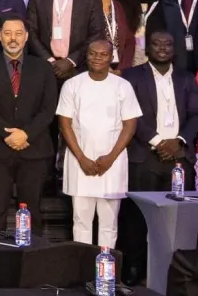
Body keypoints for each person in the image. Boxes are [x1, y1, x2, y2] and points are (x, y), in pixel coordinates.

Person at [124, 32, 198, 283]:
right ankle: (134, 272)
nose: (162, 48)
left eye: (168, 44)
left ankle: (173, 276)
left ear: (174, 49)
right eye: (156, 44)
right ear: (147, 49)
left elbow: (196, 114)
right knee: (137, 218)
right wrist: (158, 141)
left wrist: (179, 141)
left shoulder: (186, 78)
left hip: (179, 157)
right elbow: (130, 115)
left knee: (176, 220)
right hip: (144, 157)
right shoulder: (131, 76)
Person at [0, 17, 57, 234]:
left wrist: (26, 134)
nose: (13, 38)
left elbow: (48, 109)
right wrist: (8, 135)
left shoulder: (43, 68)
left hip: (34, 149)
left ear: (26, 36)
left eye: (18, 33)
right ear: (0, 36)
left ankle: (33, 253)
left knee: (32, 211)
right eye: (8, 33)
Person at [57, 40, 141, 248]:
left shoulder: (123, 86)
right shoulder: (72, 85)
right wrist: (82, 158)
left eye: (103, 54)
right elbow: (65, 125)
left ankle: (106, 267)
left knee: (109, 225)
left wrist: (110, 158)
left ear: (111, 57)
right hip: (80, 161)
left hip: (112, 163)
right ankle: (82, 267)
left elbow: (130, 125)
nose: (97, 58)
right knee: (81, 222)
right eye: (93, 53)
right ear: (86, 56)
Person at [27, 0, 106, 83]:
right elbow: (31, 32)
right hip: (45, 68)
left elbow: (97, 33)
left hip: (78, 68)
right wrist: (50, 61)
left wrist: (70, 61)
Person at [130, 0, 187, 69]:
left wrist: (179, 72)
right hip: (130, 69)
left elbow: (179, 46)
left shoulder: (169, 7)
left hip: (160, 69)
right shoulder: (126, 5)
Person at [87, 0, 137, 71]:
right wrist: (104, 68)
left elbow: (130, 41)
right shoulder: (87, 8)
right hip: (96, 68)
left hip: (121, 69)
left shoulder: (122, 6)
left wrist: (122, 69)